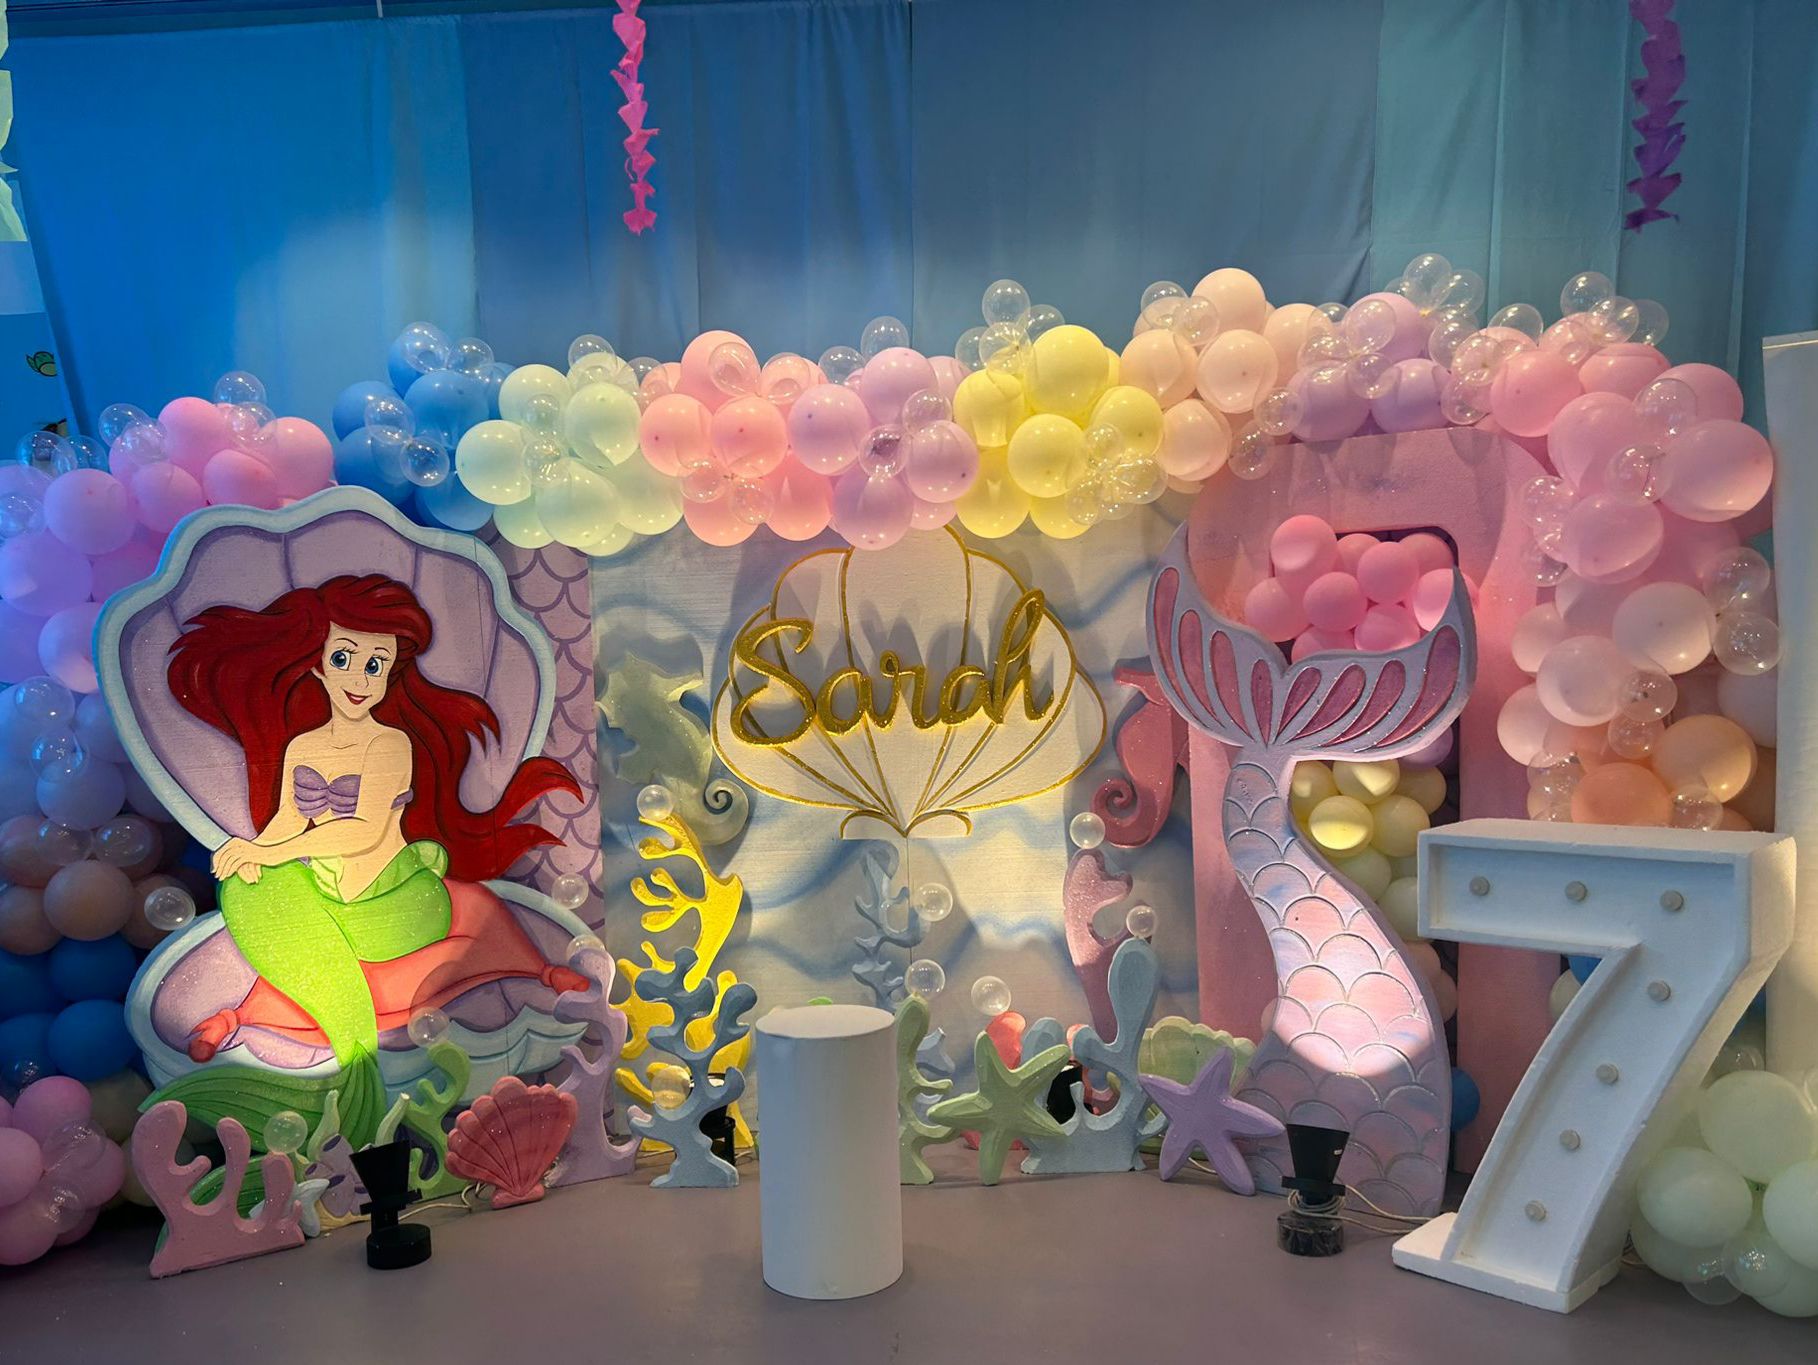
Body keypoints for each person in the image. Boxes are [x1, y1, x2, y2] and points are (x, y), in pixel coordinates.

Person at [165, 572, 587, 1121]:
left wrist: (270, 855)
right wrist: (251, 850)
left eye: (375, 665)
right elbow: (289, 818)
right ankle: (244, 1019)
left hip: (396, 901)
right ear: (318, 665)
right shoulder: (303, 746)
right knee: (253, 896)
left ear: (390, 675)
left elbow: (362, 830)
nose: (358, 678)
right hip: (329, 892)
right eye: (344, 659)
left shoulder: (389, 744)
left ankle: (351, 1052)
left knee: (311, 927)